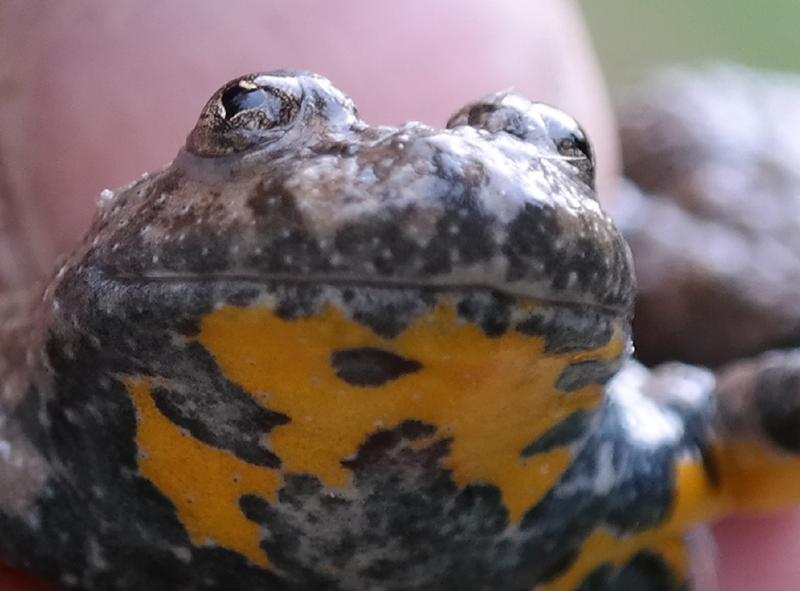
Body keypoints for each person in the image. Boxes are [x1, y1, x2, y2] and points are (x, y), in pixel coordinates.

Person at [1, 1, 798, 589]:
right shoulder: (37, 441)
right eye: (253, 117)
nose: (444, 185)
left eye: (565, 155)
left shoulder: (651, 449)